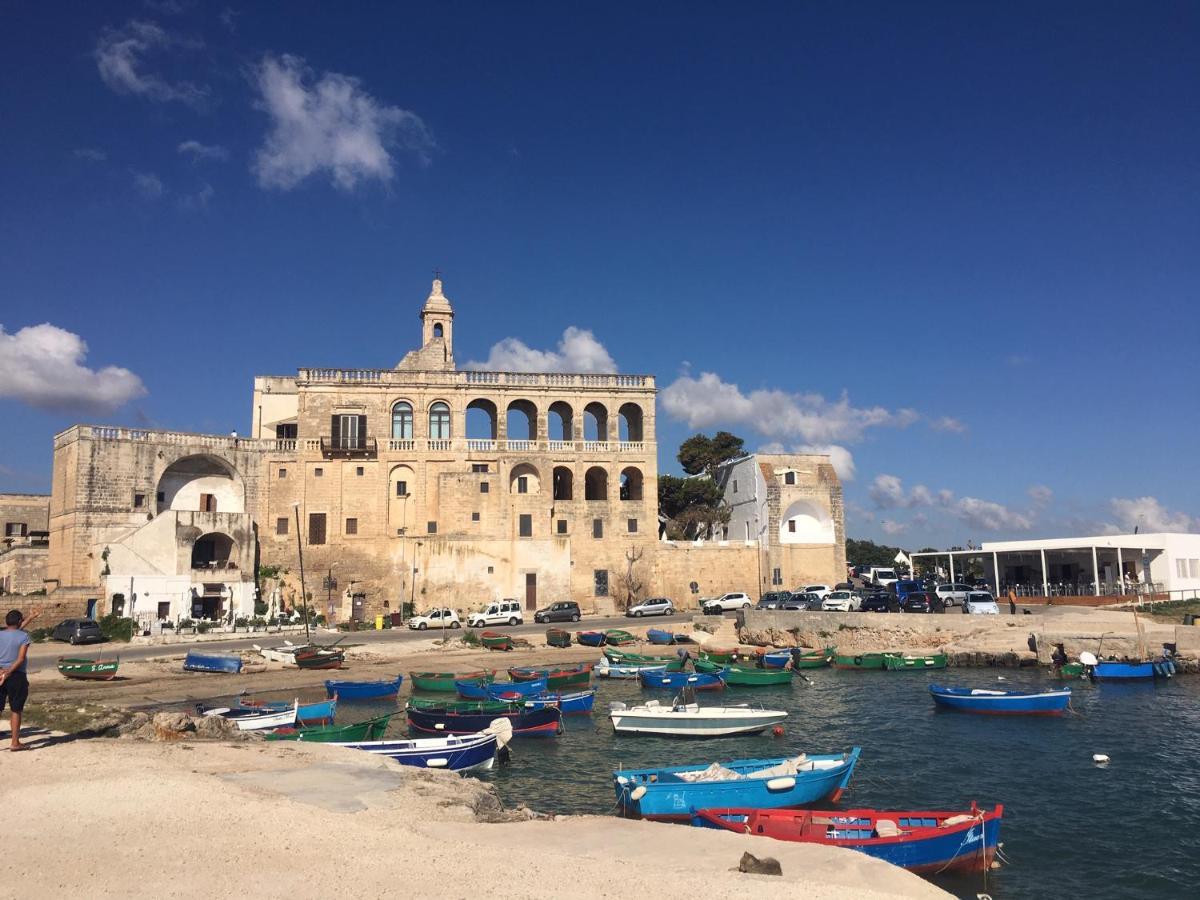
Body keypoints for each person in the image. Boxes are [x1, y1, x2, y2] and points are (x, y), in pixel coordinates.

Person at [1, 608, 40, 751]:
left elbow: (15, 631)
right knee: (16, 709)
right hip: (16, 675)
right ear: (19, 621)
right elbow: (21, 658)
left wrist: (1, 671)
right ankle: (15, 743)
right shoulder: (23, 636)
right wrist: (9, 672)